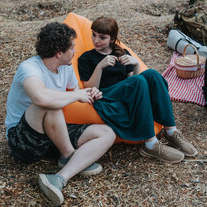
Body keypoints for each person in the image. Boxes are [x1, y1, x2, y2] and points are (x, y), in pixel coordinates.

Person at [5, 22, 116, 206]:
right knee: (50, 103)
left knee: (107, 133)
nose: (74, 51)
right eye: (72, 47)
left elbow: (74, 98)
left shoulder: (66, 67)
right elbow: (41, 98)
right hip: (23, 141)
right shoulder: (30, 69)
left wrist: (90, 94)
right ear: (59, 52)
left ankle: (60, 177)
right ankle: (69, 155)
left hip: (54, 133)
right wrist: (75, 95)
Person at [78, 16, 198, 163]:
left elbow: (136, 83)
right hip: (105, 95)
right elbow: (89, 88)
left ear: (112, 39)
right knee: (139, 79)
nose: (96, 40)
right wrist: (100, 66)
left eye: (102, 37)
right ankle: (150, 144)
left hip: (125, 92)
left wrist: (135, 66)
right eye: (94, 35)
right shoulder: (86, 58)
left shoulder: (122, 53)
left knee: (152, 74)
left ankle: (171, 131)